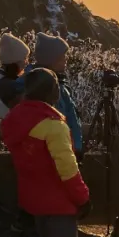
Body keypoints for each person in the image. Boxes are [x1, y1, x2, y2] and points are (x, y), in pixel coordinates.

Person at [1, 68, 91, 237]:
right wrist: (83, 198)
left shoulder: (16, 118)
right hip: (57, 201)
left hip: (33, 197)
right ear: (51, 92)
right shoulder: (52, 126)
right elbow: (67, 168)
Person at [30, 32, 83, 160]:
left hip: (64, 149)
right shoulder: (44, 87)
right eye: (62, 56)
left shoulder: (58, 83)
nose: (66, 59)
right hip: (57, 153)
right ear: (51, 60)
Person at [0, 32, 29, 119]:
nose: (27, 62)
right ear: (15, 62)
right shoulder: (5, 84)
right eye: (24, 59)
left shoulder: (5, 79)